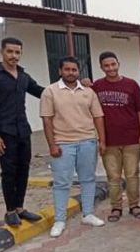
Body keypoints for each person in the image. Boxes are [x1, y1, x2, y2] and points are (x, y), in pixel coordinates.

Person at [0, 38, 45, 227]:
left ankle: (20, 208)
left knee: (23, 169)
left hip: (23, 130)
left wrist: (68, 87)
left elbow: (41, 92)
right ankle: (10, 211)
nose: (14, 56)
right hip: (4, 133)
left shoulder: (23, 76)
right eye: (10, 51)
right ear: (2, 52)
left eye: (17, 52)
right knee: (9, 172)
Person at [40, 57, 106, 237]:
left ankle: (88, 214)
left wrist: (102, 140)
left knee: (88, 179)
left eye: (74, 70)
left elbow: (98, 117)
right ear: (60, 71)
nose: (71, 73)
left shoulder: (88, 92)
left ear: (78, 72)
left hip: (87, 141)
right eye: (67, 69)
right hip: (63, 143)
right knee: (62, 183)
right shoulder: (50, 92)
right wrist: (52, 145)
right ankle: (60, 220)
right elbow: (47, 120)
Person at [92, 52, 140, 222]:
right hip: (109, 141)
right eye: (106, 66)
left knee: (132, 174)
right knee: (113, 177)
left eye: (113, 64)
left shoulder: (131, 85)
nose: (110, 68)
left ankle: (134, 205)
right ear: (101, 67)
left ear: (118, 64)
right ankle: (116, 207)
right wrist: (100, 140)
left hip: (131, 139)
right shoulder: (97, 86)